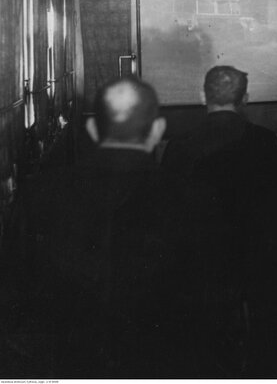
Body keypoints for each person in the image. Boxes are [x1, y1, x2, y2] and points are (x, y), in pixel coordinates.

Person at [25, 77, 179, 377]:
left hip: (68, 366)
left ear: (93, 131)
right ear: (158, 130)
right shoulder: (194, 199)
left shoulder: (40, 194)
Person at [160, 65, 277, 375]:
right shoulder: (265, 141)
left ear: (203, 95)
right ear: (246, 98)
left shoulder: (179, 145)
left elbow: (167, 209)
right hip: (253, 258)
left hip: (197, 263)